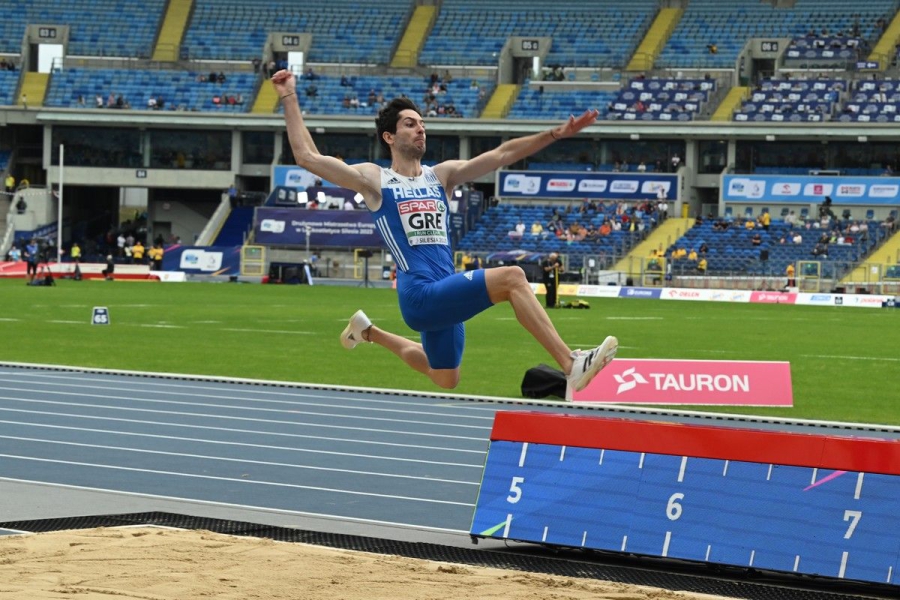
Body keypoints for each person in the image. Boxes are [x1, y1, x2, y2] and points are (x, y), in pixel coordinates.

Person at [271, 69, 617, 392]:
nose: (420, 129)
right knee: (512, 277)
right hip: (420, 295)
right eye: (410, 124)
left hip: (444, 291)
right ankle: (571, 363)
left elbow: (501, 154)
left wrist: (554, 134)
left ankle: (368, 331)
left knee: (445, 376)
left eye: (422, 124)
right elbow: (307, 157)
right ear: (389, 136)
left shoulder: (441, 176)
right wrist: (289, 96)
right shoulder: (375, 179)